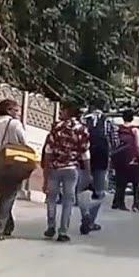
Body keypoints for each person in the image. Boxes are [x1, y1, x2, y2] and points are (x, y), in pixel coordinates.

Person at [0, 98, 35, 241]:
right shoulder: (15, 124)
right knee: (8, 197)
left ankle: (8, 226)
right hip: (13, 164)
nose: (18, 113)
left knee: (4, 196)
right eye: (16, 110)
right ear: (8, 110)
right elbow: (25, 144)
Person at [41, 101, 91, 242]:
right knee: (68, 201)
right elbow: (85, 154)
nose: (60, 112)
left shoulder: (56, 127)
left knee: (51, 198)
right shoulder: (82, 129)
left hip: (55, 167)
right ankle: (63, 231)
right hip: (71, 169)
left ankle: (51, 225)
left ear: (68, 111)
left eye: (62, 110)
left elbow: (48, 151)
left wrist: (46, 172)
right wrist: (88, 172)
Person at [81, 100, 118, 232]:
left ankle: (84, 214)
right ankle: (90, 220)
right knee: (99, 193)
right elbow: (115, 142)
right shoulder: (108, 122)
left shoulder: (83, 119)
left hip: (83, 160)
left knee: (80, 191)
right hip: (101, 161)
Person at [111, 109, 139, 212]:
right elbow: (138, 145)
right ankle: (135, 204)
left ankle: (118, 202)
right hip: (132, 159)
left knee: (120, 181)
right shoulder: (135, 130)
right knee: (137, 181)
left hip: (119, 159)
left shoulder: (118, 129)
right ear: (132, 118)